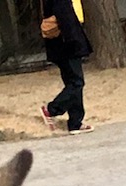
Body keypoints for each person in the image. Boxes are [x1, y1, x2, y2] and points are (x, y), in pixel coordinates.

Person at [40, 0, 93, 135]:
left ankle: (75, 122)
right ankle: (51, 109)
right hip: (67, 45)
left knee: (72, 83)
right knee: (76, 82)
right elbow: (65, 18)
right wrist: (74, 42)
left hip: (59, 46)